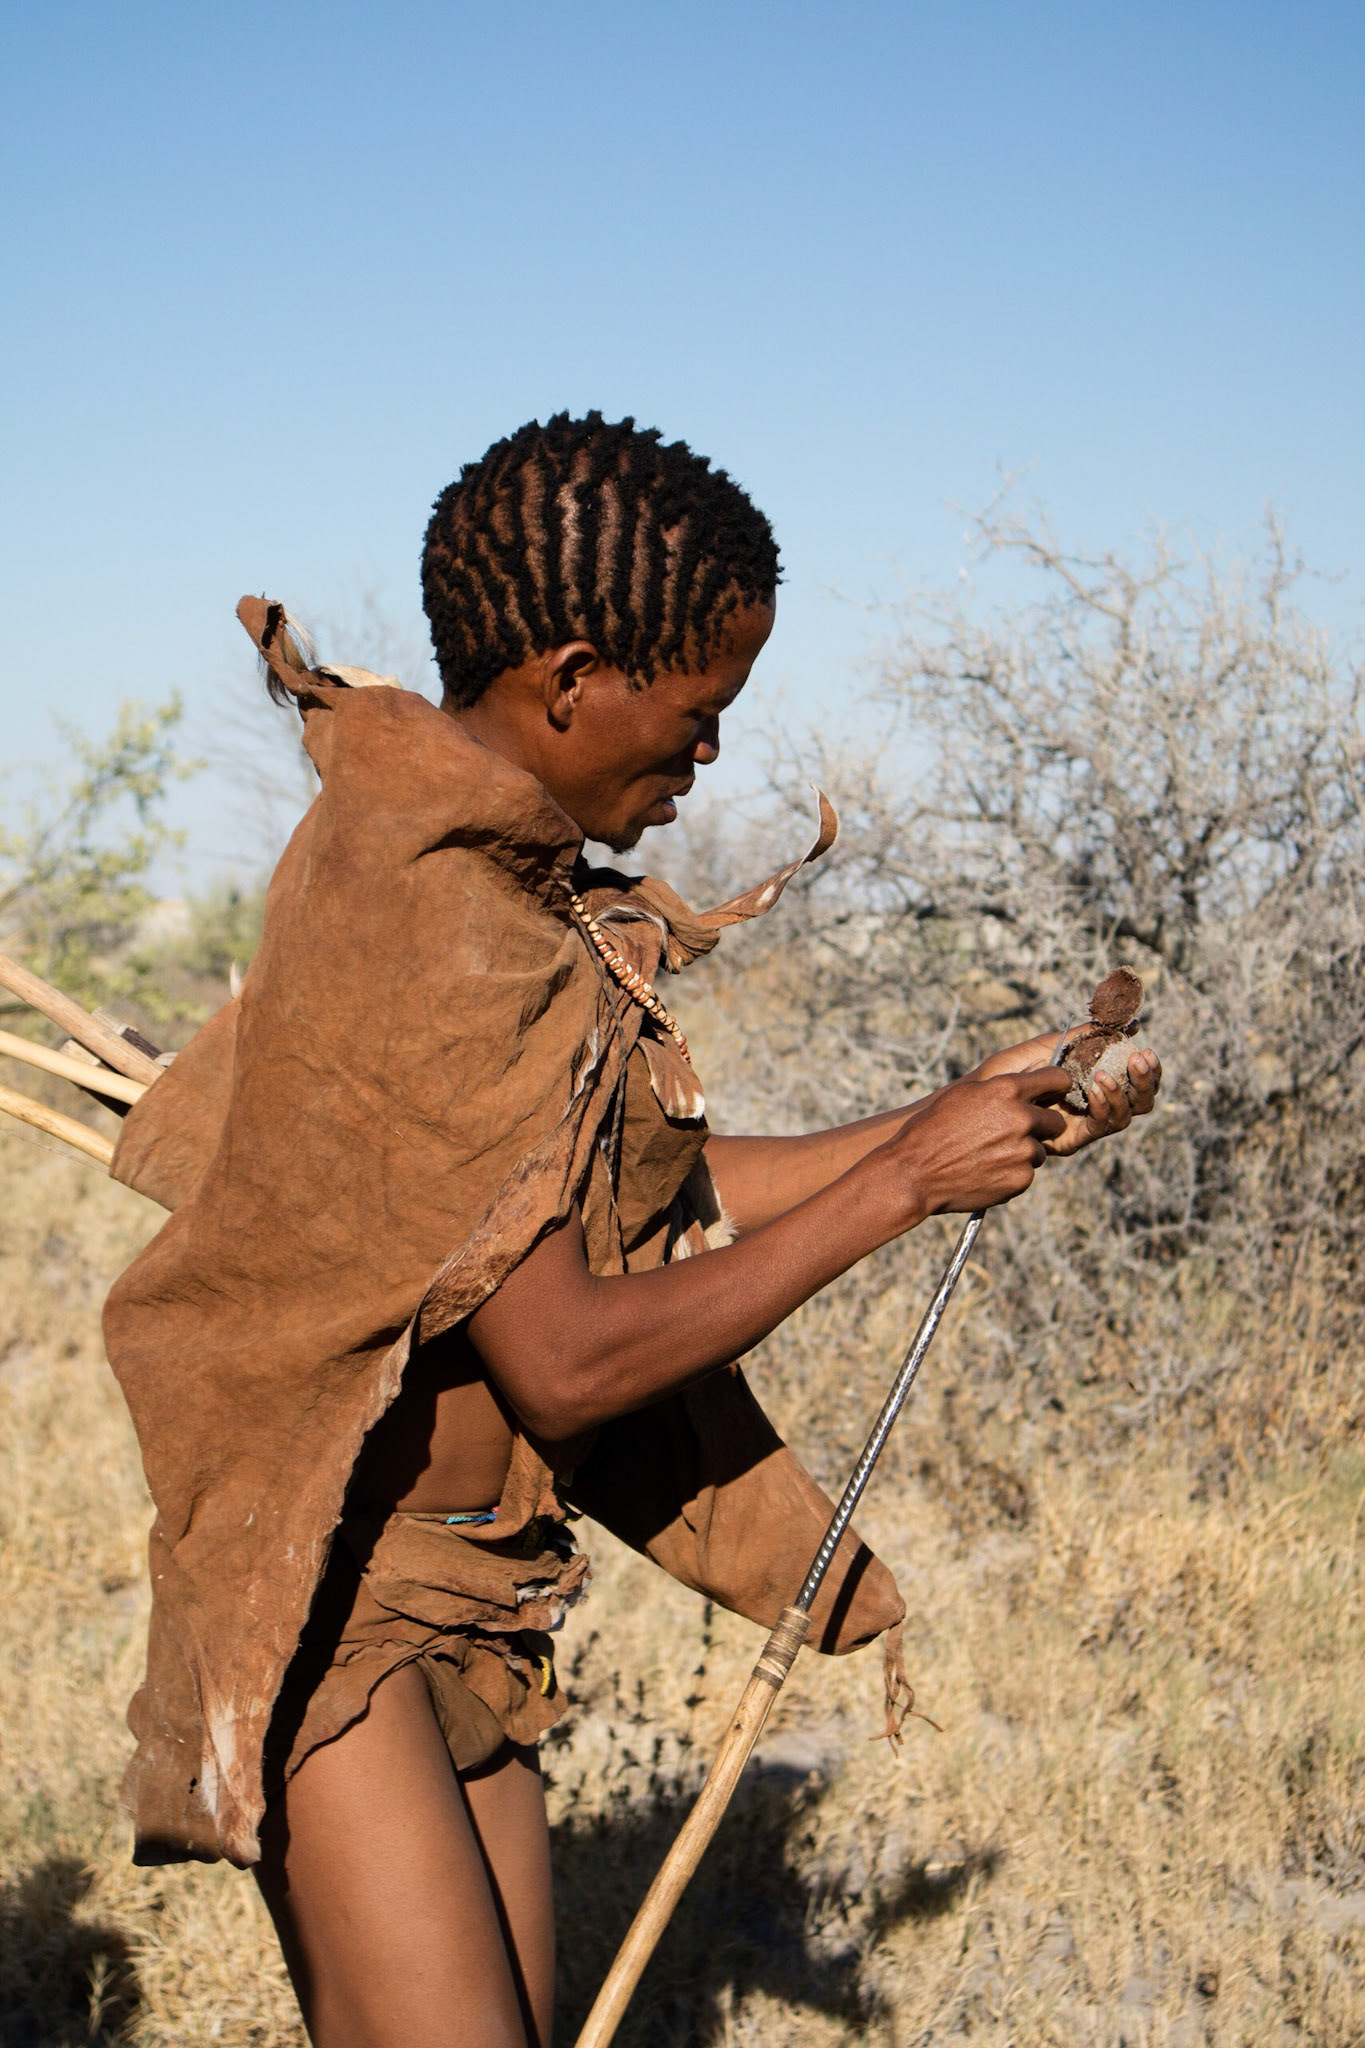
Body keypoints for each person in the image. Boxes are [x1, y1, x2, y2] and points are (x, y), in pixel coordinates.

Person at [102, 413, 1160, 2048]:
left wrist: (960, 1116)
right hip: (335, 1599)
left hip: (480, 1593)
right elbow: (572, 1360)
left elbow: (631, 1197)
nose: (707, 761)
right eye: (697, 717)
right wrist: (902, 1188)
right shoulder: (434, 911)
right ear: (575, 675)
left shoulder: (498, 888)